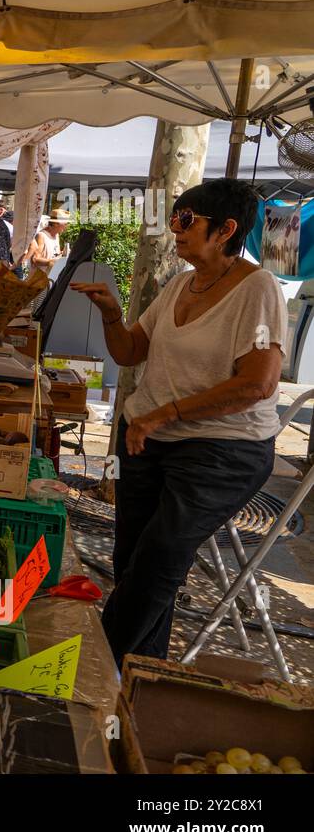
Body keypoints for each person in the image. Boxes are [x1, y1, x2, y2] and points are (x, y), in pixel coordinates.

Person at [72, 179, 285, 665]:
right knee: (132, 560)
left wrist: (166, 413)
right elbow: (130, 351)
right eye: (175, 218)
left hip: (221, 450)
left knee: (160, 555)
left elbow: (257, 384)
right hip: (148, 438)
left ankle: (95, 666)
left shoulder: (258, 289)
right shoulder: (176, 286)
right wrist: (110, 314)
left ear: (226, 229)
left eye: (187, 220)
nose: (176, 228)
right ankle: (140, 676)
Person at [25, 207, 69, 277]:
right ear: (56, 224)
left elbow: (53, 254)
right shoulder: (41, 236)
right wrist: (52, 262)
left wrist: (61, 255)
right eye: (65, 224)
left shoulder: (56, 235)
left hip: (50, 277)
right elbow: (35, 259)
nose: (67, 226)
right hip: (38, 280)